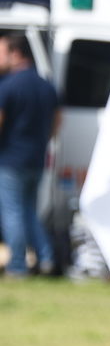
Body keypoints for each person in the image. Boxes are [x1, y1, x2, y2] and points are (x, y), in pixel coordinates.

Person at [0, 32, 60, 277]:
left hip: (11, 160)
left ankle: (17, 265)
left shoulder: (8, 86)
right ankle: (46, 259)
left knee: (12, 213)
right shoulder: (46, 85)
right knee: (28, 212)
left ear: (15, 54)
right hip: (36, 159)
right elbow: (57, 121)